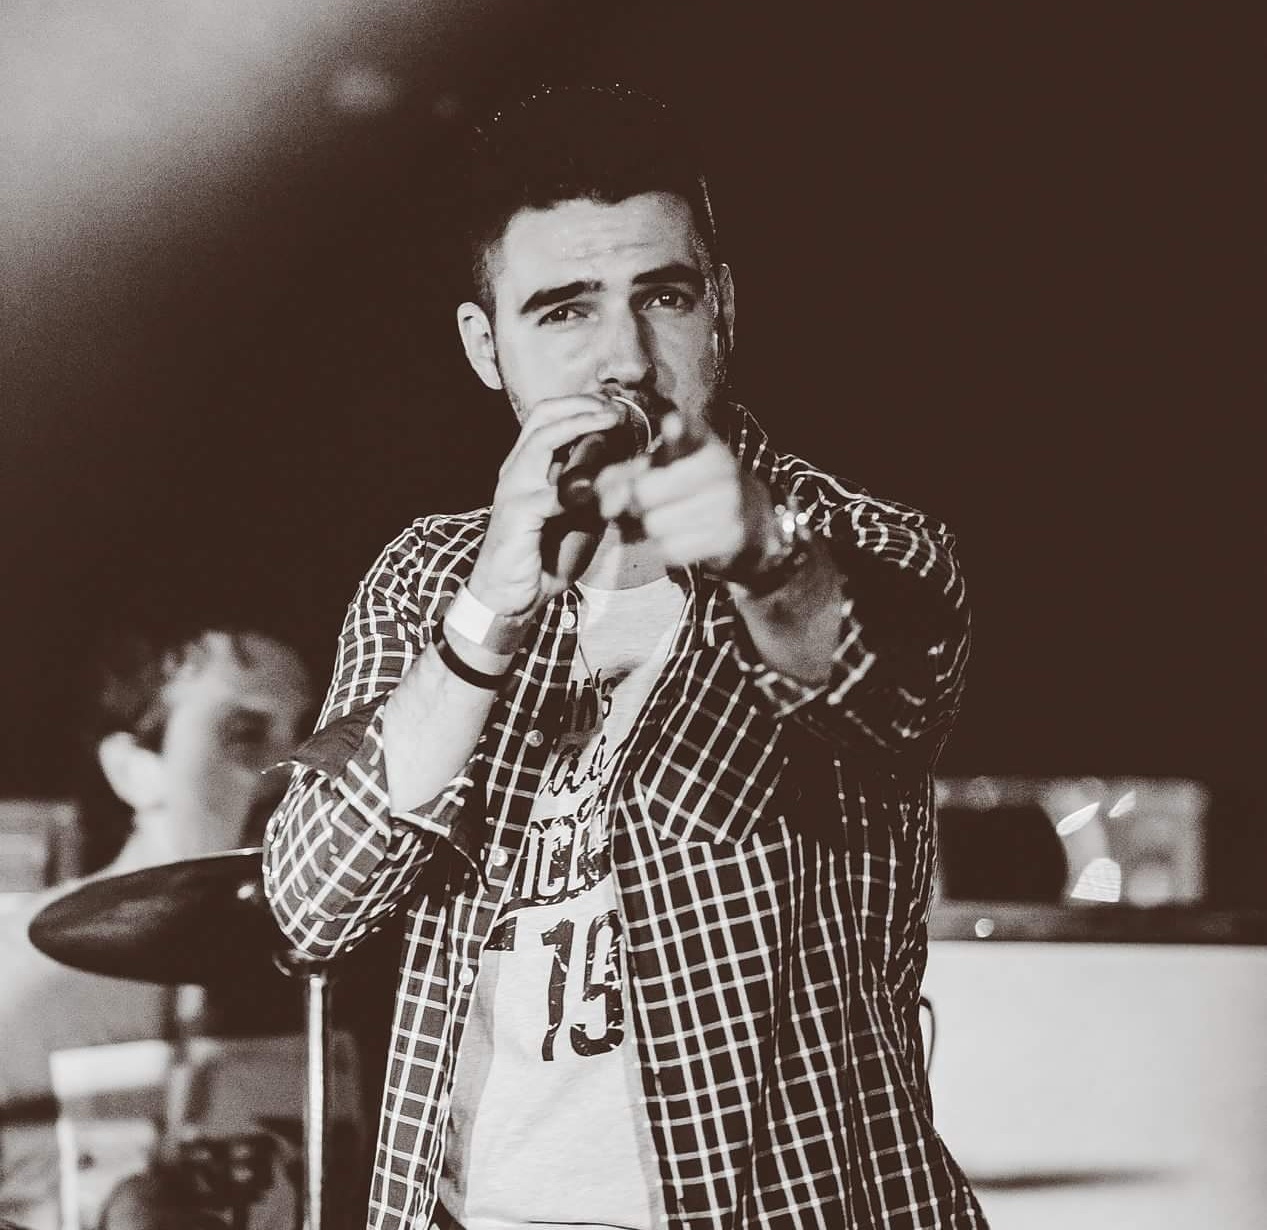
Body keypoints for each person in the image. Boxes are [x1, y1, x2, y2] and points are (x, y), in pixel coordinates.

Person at [264, 85, 986, 1229]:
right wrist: (490, 611)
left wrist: (766, 558)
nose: (627, 360)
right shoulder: (426, 577)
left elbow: (884, 695)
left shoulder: (863, 546)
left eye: (664, 296)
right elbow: (311, 908)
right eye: (564, 311)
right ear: (485, 347)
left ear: (723, 310)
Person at [0, 615, 315, 1230]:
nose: (294, 769)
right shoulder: (20, 978)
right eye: (244, 733)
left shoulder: (348, 963)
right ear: (133, 771)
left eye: (311, 733)